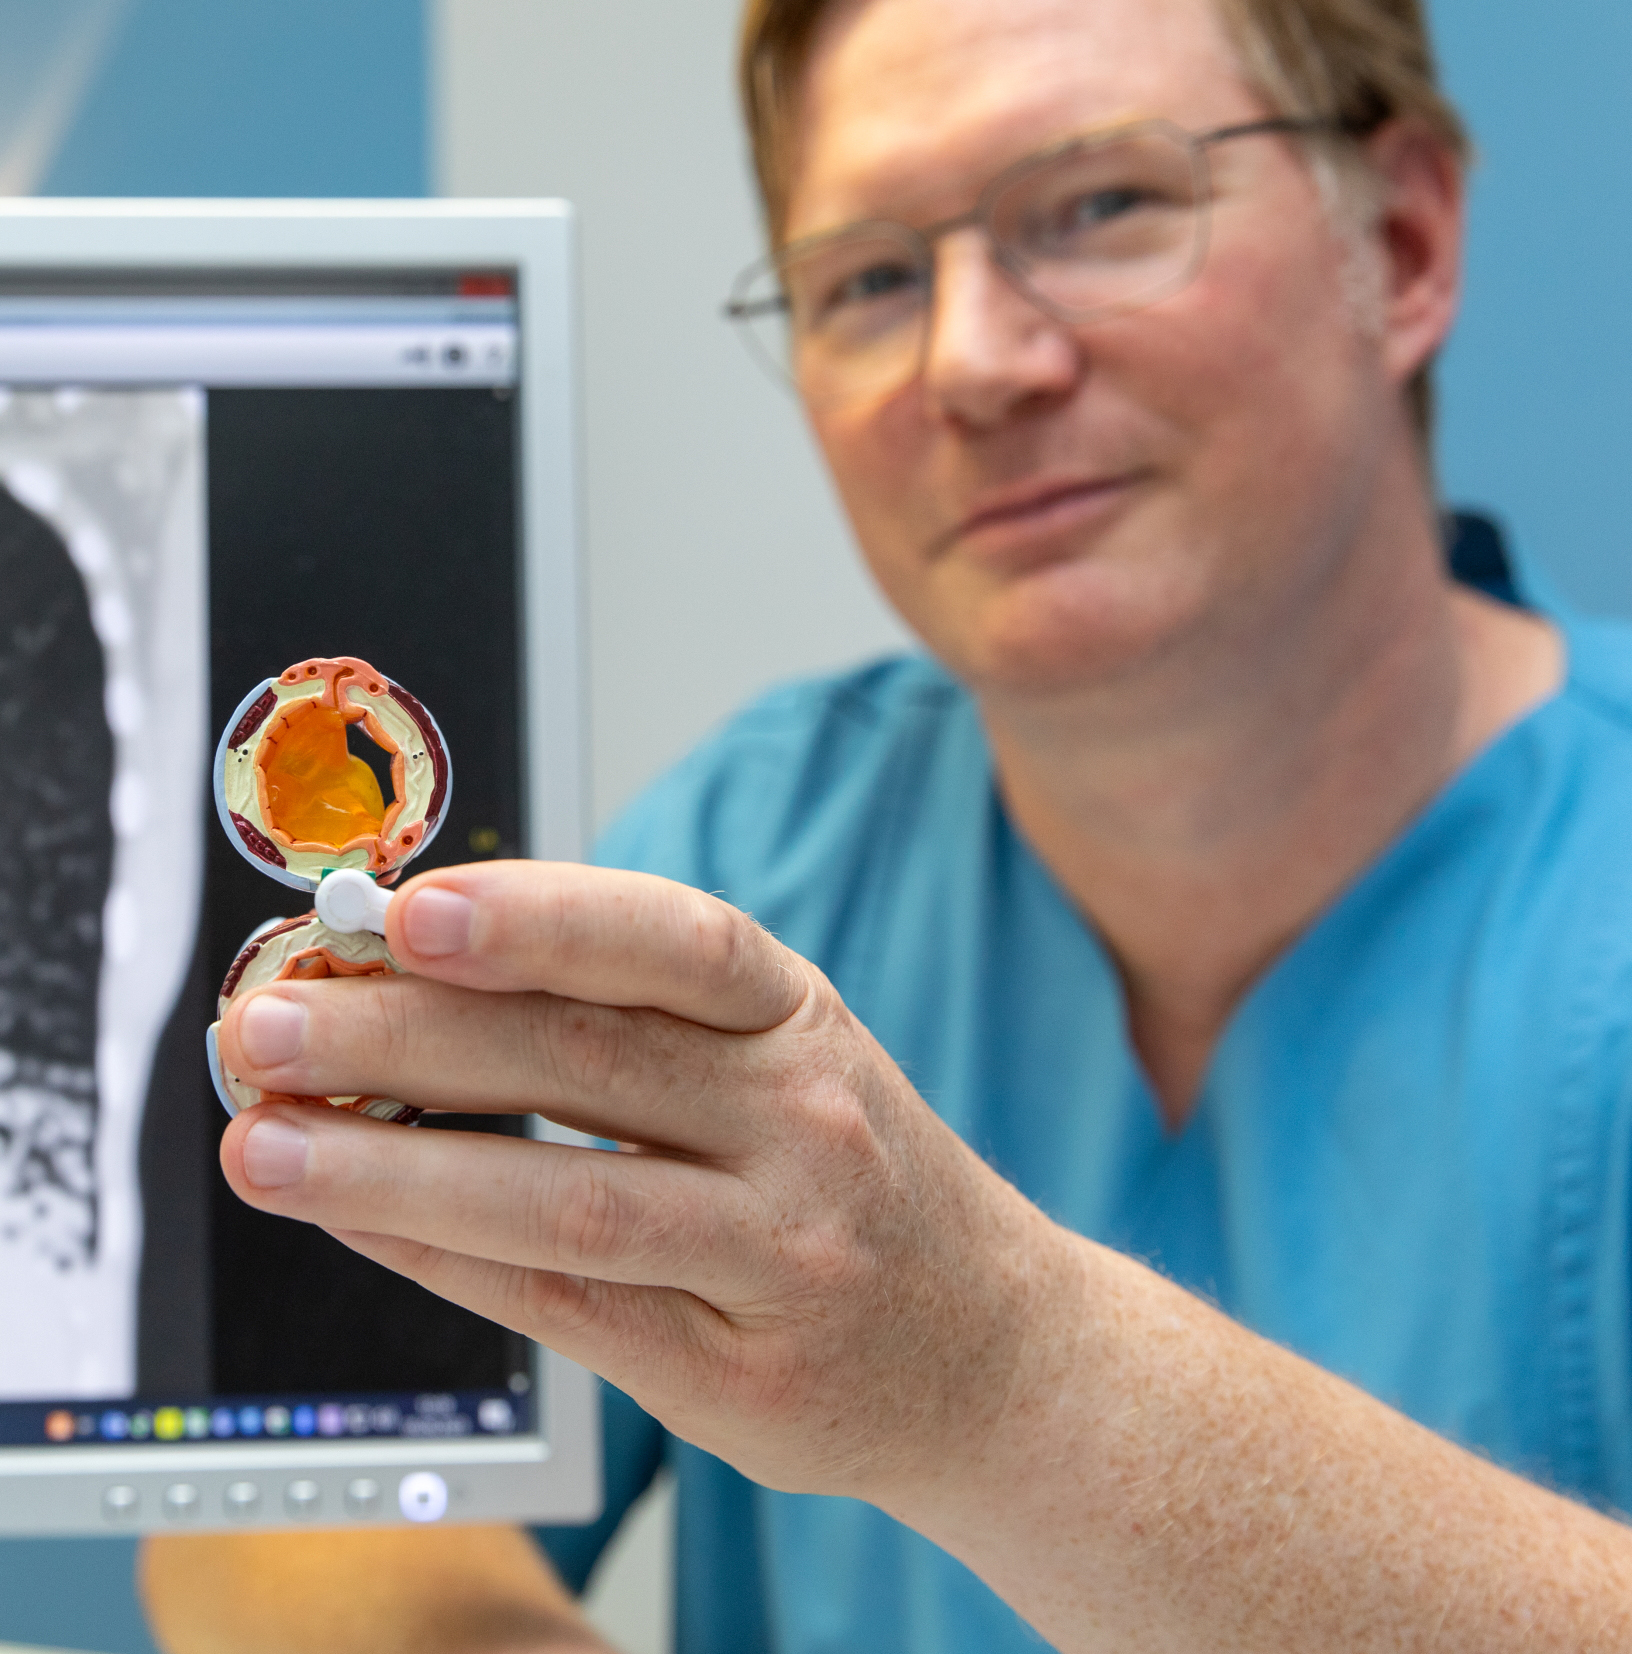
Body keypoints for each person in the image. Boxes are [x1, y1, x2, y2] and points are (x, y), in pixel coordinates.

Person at [141, 0, 1632, 1646]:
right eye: (866, 280)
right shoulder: (765, 853)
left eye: (1105, 206)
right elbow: (302, 1501)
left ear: (1404, 243)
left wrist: (993, 1368)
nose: (976, 361)